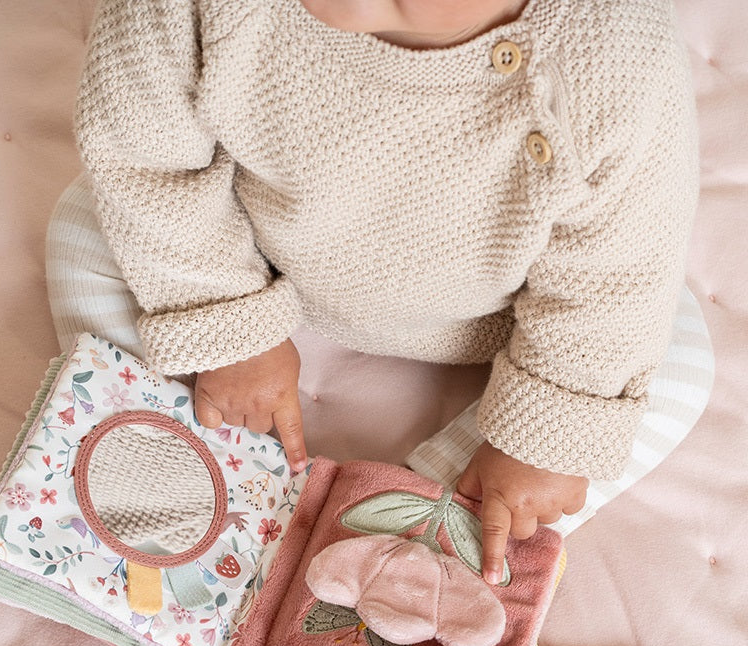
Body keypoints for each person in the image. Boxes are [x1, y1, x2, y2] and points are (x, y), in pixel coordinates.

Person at [50, 0, 708, 587]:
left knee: (661, 352)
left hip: (502, 310)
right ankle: (177, 473)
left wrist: (543, 443)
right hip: (254, 254)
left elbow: (618, 272)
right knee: (89, 220)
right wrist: (224, 322)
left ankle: (413, 528)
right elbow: (142, 156)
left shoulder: (617, 56)